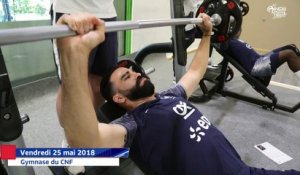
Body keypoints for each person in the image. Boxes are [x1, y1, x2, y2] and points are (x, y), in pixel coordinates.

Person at [56, 13, 300, 175]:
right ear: (119, 98)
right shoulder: (132, 125)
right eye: (125, 77)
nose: (133, 71)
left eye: (131, 69)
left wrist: (206, 34)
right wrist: (72, 58)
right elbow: (85, 140)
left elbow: (196, 70)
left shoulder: (170, 95)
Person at [51, 0, 118, 120]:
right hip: (73, 11)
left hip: (107, 13)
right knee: (72, 85)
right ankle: (71, 136)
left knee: (101, 83)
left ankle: (91, 125)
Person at [220, 29, 300, 79]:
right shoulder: (227, 42)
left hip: (260, 59)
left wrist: (238, 16)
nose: (238, 30)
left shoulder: (235, 39)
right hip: (256, 67)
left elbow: (238, 29)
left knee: (291, 47)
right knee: (289, 54)